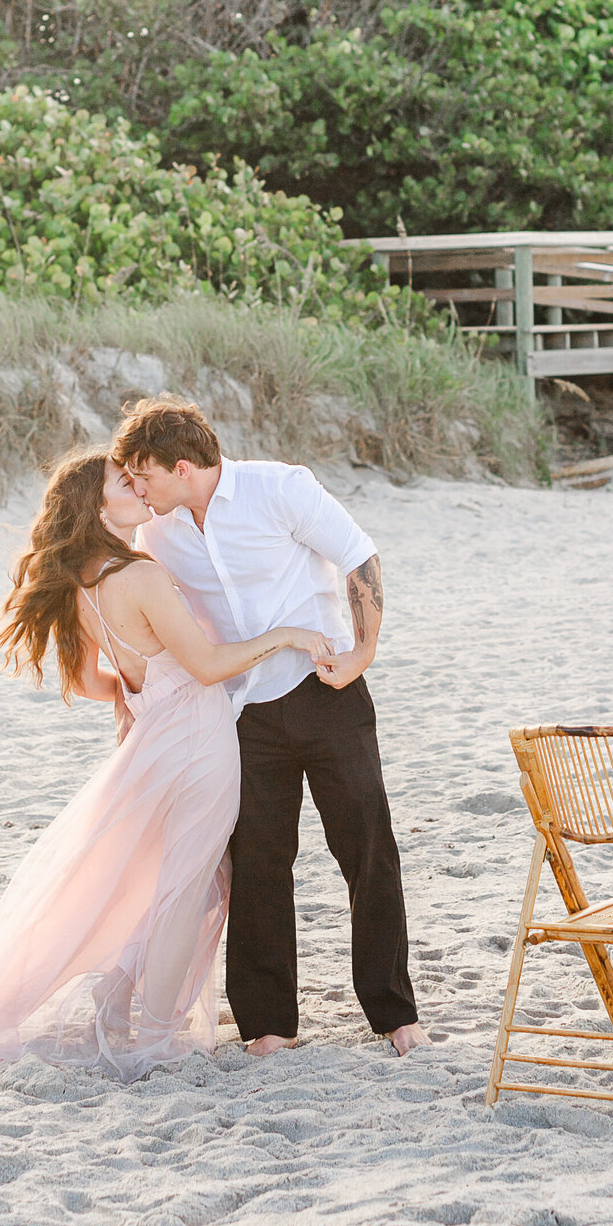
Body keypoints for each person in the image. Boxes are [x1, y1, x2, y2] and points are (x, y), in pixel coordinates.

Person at [0, 448, 333, 1081]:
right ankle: (156, 1034)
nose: (140, 489)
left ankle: (118, 996)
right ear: (97, 505)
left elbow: (92, 680)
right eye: (125, 483)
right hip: (199, 742)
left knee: (181, 878)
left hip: (153, 742)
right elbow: (206, 665)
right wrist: (286, 635)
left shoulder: (83, 582)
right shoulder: (139, 576)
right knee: (189, 885)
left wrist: (136, 686)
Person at [111, 397, 425, 1060]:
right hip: (242, 710)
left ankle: (395, 1012)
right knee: (258, 861)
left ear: (184, 465)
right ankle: (269, 1024)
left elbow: (359, 557)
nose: (140, 489)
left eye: (147, 476)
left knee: (367, 845)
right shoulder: (158, 532)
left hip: (325, 687)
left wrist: (363, 651)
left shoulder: (280, 487)